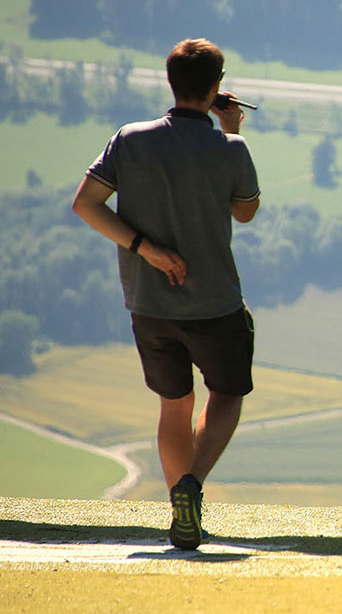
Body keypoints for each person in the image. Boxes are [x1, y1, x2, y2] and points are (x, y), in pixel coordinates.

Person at [72, 38, 260, 549]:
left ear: (171, 83)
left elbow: (86, 205)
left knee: (173, 406)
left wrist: (145, 249)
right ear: (218, 88)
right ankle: (190, 488)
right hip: (215, 304)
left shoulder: (129, 140)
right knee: (225, 393)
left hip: (148, 304)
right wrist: (232, 132)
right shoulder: (231, 149)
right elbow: (244, 211)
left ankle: (184, 513)